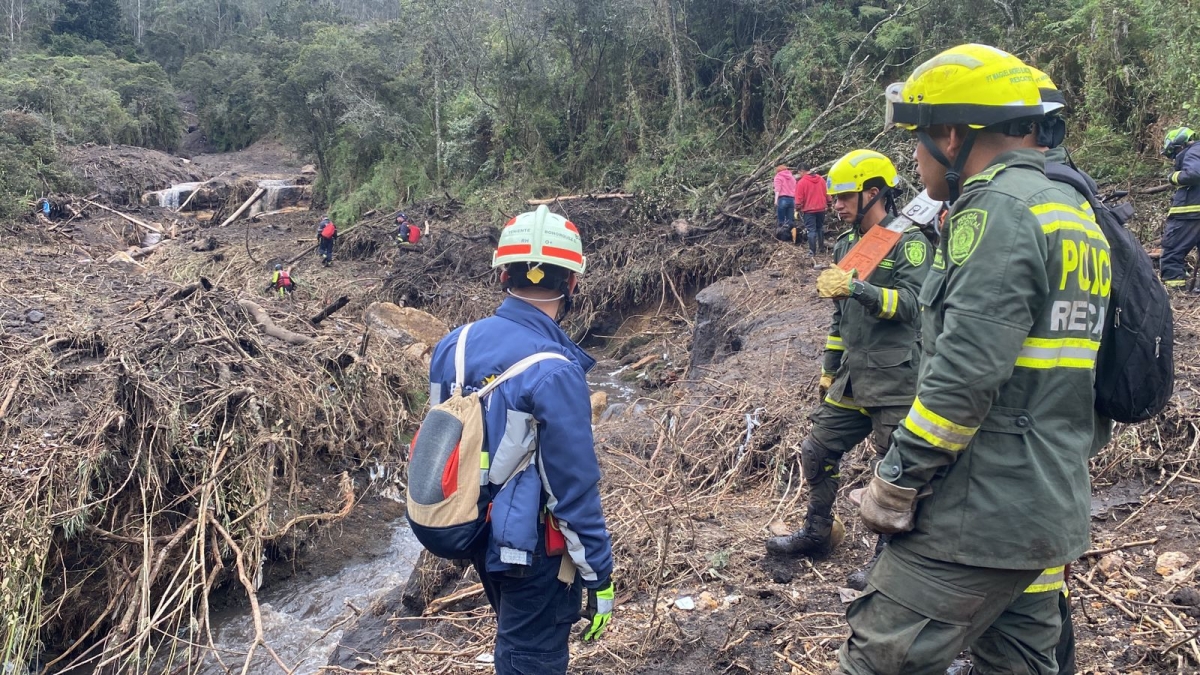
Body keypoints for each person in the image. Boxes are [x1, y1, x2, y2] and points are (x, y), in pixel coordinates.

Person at [839, 44, 1112, 675]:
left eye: (918, 138)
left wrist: (898, 478)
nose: (915, 155)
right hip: (1047, 506)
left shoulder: (998, 211)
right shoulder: (1073, 209)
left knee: (880, 658)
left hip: (977, 514)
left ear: (953, 134)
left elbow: (964, 375)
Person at [427, 205, 615, 674]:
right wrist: (599, 573)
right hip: (531, 549)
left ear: (503, 276)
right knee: (532, 656)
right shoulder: (556, 370)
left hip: (472, 526)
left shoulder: (454, 344)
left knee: (516, 641)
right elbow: (572, 488)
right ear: (572, 283)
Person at [765, 149, 931, 591]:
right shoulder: (845, 246)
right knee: (817, 450)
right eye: (834, 198)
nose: (834, 205)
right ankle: (818, 533)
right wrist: (827, 368)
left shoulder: (908, 241)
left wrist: (860, 289)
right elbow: (840, 319)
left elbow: (915, 307)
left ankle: (888, 561)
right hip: (853, 376)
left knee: (894, 471)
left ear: (872, 192)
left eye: (843, 197)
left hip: (896, 378)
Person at [1160, 126, 1200, 290]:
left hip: (1189, 214)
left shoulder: (1193, 151)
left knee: (1172, 251)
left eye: (1173, 154)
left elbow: (1193, 174)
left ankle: (1175, 291)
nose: (1174, 158)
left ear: (1178, 146)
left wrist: (1173, 177)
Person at [795, 162, 831, 255]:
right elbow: (827, 192)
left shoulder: (801, 182)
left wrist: (797, 208)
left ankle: (812, 251)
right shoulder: (821, 179)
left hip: (809, 210)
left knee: (811, 230)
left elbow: (799, 198)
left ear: (802, 171)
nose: (799, 175)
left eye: (799, 173)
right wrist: (829, 203)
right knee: (820, 228)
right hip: (821, 209)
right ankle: (821, 248)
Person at [774, 164, 799, 244]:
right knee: (790, 221)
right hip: (792, 200)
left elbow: (777, 189)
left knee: (781, 221)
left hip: (783, 199)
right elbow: (795, 189)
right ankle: (792, 239)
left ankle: (782, 240)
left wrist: (776, 200)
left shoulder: (778, 176)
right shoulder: (792, 177)